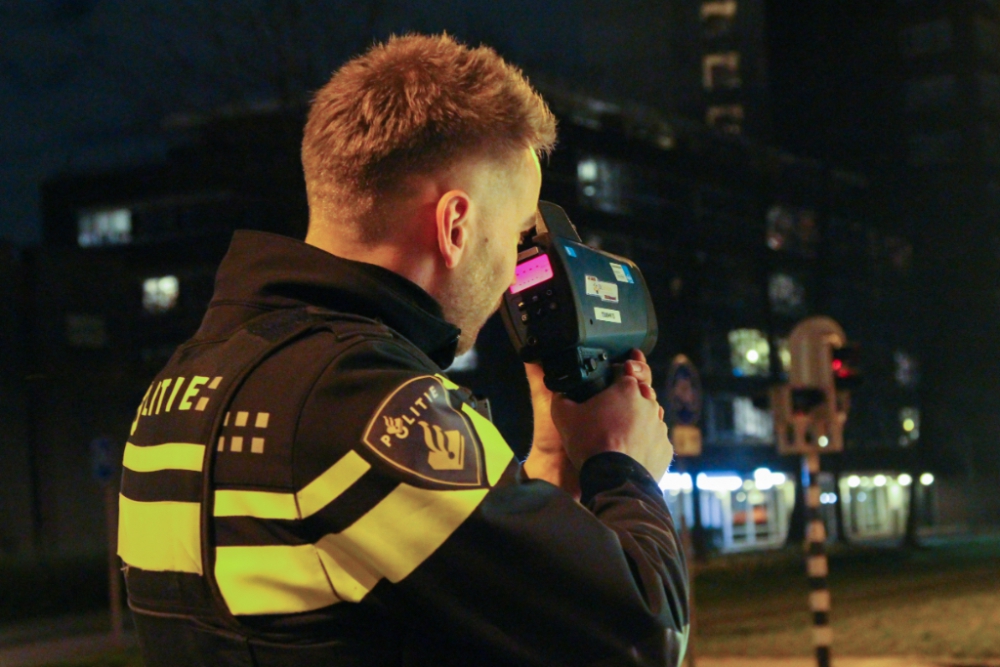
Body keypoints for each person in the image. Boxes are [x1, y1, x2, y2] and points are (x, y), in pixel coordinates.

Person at [118, 33, 688, 667]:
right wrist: (623, 469)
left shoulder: (188, 381)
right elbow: (640, 635)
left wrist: (551, 463)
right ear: (455, 227)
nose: (509, 279)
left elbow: (435, 595)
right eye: (514, 237)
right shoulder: (363, 401)